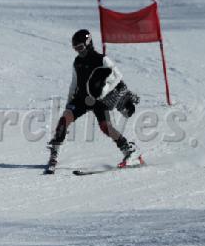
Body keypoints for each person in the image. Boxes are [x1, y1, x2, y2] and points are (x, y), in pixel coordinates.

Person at [44, 29, 143, 174]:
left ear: (88, 43)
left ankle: (129, 151)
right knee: (64, 119)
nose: (79, 51)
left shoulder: (102, 59)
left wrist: (105, 92)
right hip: (81, 99)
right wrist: (69, 103)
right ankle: (54, 155)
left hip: (98, 100)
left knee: (106, 127)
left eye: (80, 47)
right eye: (75, 48)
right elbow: (74, 83)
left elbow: (118, 76)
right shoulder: (77, 62)